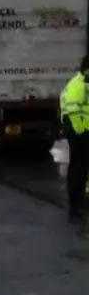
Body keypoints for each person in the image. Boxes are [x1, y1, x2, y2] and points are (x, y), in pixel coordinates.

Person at [60, 55, 89, 218]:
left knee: (82, 165)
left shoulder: (84, 83)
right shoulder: (78, 85)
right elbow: (73, 110)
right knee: (78, 165)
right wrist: (81, 130)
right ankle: (76, 198)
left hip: (83, 131)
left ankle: (80, 197)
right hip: (78, 132)